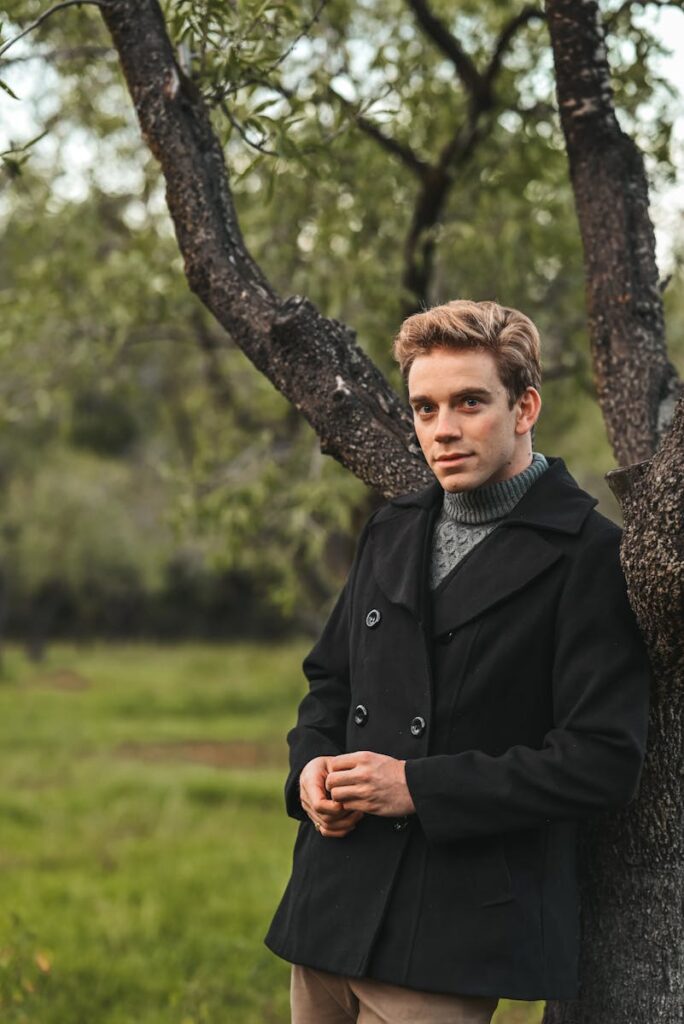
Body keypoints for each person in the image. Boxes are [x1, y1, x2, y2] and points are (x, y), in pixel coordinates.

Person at [265, 300, 651, 1024]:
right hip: (332, 902)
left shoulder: (590, 557)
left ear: (525, 405)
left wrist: (418, 787)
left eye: (470, 402)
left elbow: (602, 757)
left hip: (453, 928)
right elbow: (330, 683)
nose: (442, 430)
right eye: (424, 407)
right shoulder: (392, 527)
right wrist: (310, 771)